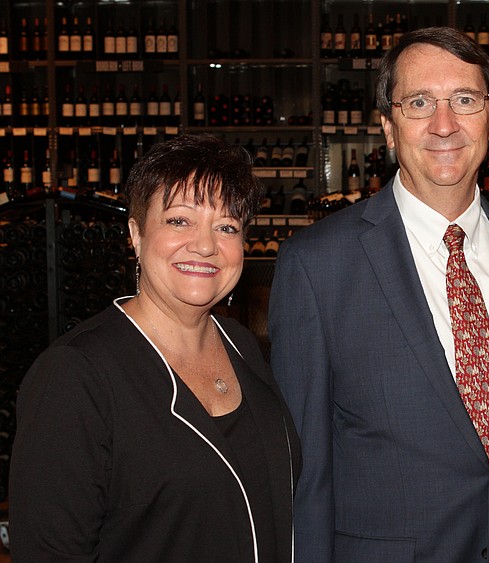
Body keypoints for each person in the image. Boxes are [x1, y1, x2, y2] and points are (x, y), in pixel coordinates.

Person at [269, 27, 489, 562]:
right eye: (419, 102)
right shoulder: (316, 266)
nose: (445, 123)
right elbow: (303, 471)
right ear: (387, 127)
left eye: (465, 100)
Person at [10, 135, 301, 562]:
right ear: (135, 234)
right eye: (180, 221)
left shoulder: (241, 346)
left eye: (227, 227)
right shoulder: (75, 375)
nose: (205, 245)